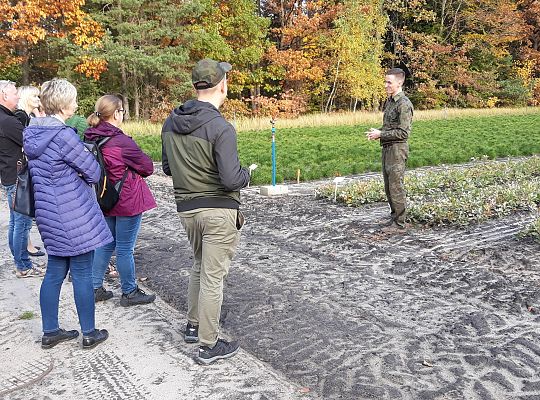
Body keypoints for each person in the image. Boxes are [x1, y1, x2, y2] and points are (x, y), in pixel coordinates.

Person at [162, 59, 255, 365]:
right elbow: (230, 179)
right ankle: (207, 345)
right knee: (213, 277)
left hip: (187, 209)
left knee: (199, 266)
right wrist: (247, 176)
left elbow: (166, 167)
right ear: (222, 86)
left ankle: (192, 325)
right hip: (218, 209)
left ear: (196, 86)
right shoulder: (221, 127)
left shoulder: (170, 122)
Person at [23, 78, 111, 349]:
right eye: (73, 99)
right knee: (82, 273)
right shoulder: (63, 136)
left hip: (48, 215)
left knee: (54, 272)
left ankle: (50, 331)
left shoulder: (31, 133)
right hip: (73, 213)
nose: (76, 103)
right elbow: (94, 172)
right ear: (63, 105)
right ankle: (89, 332)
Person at [85, 94, 157, 306]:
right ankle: (129, 291)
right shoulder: (121, 141)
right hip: (126, 199)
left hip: (102, 196)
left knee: (106, 244)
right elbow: (148, 167)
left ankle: (94, 287)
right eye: (122, 111)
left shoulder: (89, 136)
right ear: (116, 113)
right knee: (125, 248)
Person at [0, 80, 44, 278]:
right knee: (22, 222)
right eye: (14, 93)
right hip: (17, 178)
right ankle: (23, 265)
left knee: (16, 222)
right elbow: (32, 143)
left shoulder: (6, 118)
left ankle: (20, 261)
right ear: (4, 96)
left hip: (9, 175)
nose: (18, 96)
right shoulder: (8, 121)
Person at [366, 68, 414, 233]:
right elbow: (390, 127)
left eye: (389, 82)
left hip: (397, 149)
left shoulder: (404, 104)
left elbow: (403, 133)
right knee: (388, 186)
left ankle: (400, 224)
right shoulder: (391, 102)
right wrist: (378, 133)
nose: (385, 85)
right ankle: (395, 218)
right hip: (387, 148)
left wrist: (381, 134)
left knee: (395, 186)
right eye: (385, 81)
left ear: (399, 83)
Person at [14, 85, 46, 258]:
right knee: (22, 217)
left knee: (22, 217)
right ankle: (22, 259)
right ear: (26, 97)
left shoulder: (29, 116)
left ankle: (27, 246)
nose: (38, 100)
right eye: (35, 97)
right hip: (20, 169)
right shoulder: (20, 116)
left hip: (24, 167)